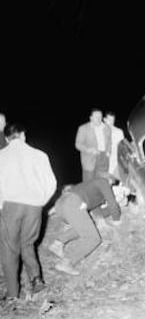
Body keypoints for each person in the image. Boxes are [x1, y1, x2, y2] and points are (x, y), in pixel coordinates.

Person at [0, 124, 57, 301]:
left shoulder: (1, 156)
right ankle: (36, 279)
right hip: (34, 205)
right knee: (28, 243)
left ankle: (12, 294)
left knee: (9, 249)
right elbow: (51, 183)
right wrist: (41, 201)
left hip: (11, 205)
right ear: (23, 135)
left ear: (7, 138)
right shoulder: (40, 155)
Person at [48, 178, 121, 275]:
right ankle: (66, 262)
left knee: (86, 226)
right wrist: (117, 219)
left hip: (61, 204)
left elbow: (98, 215)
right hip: (73, 203)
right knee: (93, 238)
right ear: (111, 182)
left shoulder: (91, 189)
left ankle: (58, 243)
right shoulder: (103, 182)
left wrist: (111, 210)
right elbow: (113, 203)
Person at [75, 108, 112, 182]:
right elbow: (78, 144)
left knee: (102, 182)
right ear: (91, 118)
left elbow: (109, 141)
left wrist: (108, 152)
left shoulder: (107, 128)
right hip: (89, 159)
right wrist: (89, 149)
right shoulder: (83, 128)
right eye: (96, 117)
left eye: (100, 117)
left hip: (103, 158)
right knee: (89, 183)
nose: (99, 119)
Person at [104, 111, 125, 180]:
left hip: (117, 166)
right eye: (109, 120)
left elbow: (123, 149)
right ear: (105, 120)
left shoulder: (119, 132)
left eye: (112, 120)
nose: (111, 122)